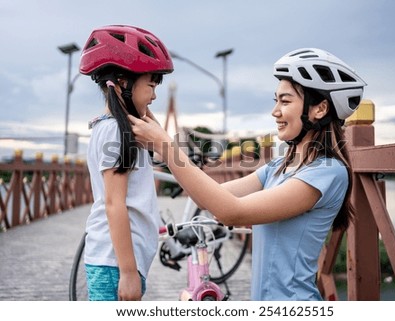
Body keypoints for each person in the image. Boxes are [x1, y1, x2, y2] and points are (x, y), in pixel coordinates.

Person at [128, 48, 366, 300]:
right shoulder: (278, 167)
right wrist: (158, 135)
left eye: (285, 101)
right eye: (275, 100)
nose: (275, 111)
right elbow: (209, 198)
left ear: (320, 109)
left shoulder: (327, 173)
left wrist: (166, 146)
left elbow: (231, 211)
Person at [79, 25, 173, 301]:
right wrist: (129, 272)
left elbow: (162, 141)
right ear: (122, 82)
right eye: (152, 85)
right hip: (115, 264)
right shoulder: (114, 132)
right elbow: (114, 204)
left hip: (117, 261)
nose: (155, 95)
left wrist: (143, 111)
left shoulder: (119, 128)